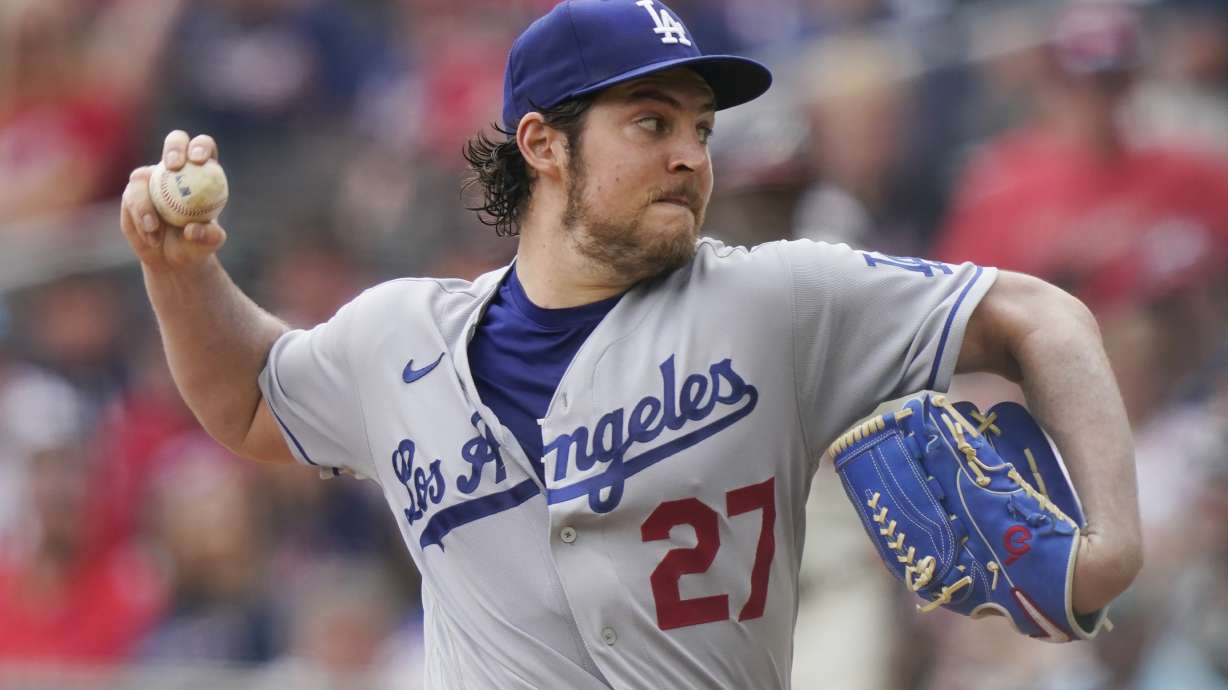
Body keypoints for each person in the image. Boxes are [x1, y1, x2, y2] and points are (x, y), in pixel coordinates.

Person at [118, 1, 1142, 687]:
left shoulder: (774, 297)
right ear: (543, 144)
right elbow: (250, 398)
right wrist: (179, 269)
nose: (691, 155)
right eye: (652, 123)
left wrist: (1112, 550)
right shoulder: (399, 336)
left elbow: (1040, 316)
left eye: (701, 129)